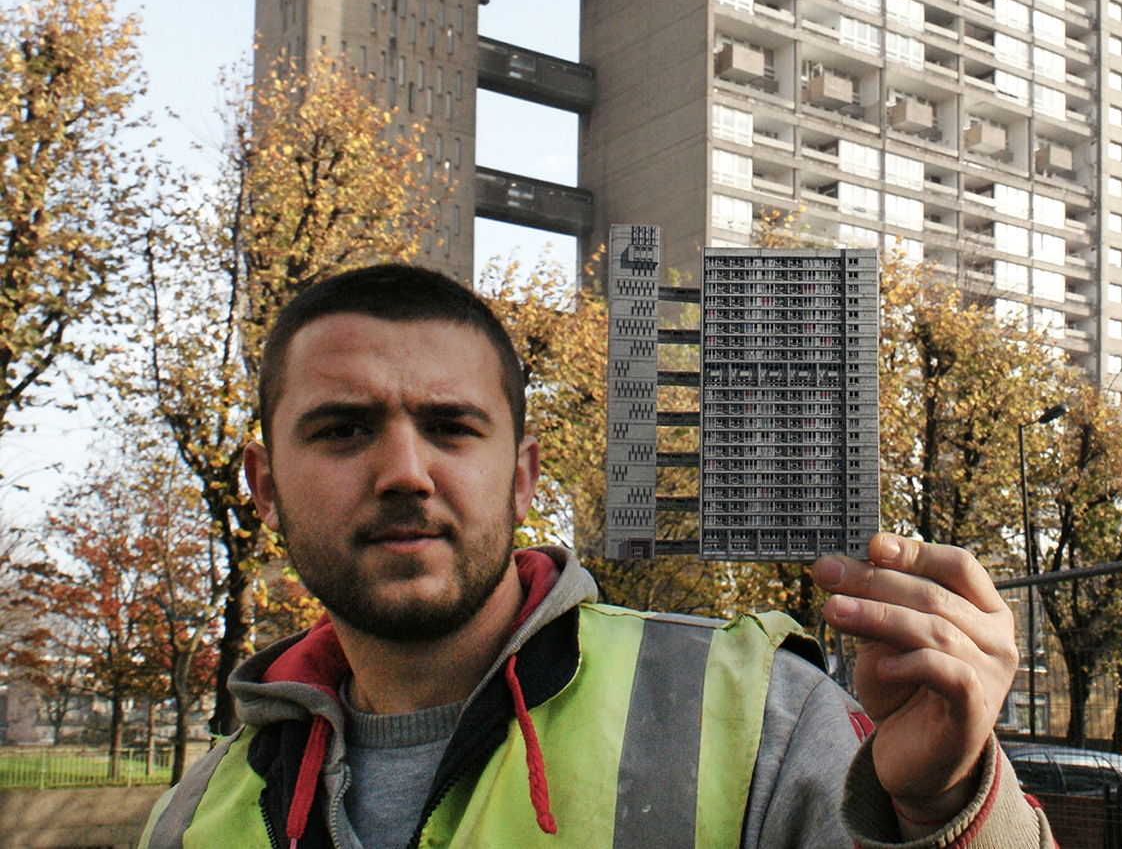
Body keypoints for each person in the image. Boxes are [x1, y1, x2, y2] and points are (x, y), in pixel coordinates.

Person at [140, 264, 1052, 849]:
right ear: (263, 483)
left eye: (452, 428)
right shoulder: (192, 819)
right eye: (343, 430)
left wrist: (949, 811)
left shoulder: (761, 710)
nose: (405, 472)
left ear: (524, 474)